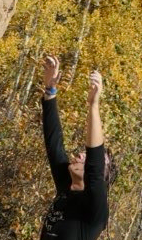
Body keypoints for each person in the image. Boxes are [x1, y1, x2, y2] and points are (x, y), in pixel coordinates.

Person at [38, 54, 113, 240]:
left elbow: (94, 167)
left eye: (88, 157)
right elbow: (54, 144)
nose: (81, 154)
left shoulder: (95, 209)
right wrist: (50, 90)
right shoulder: (66, 187)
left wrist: (93, 105)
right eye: (83, 153)